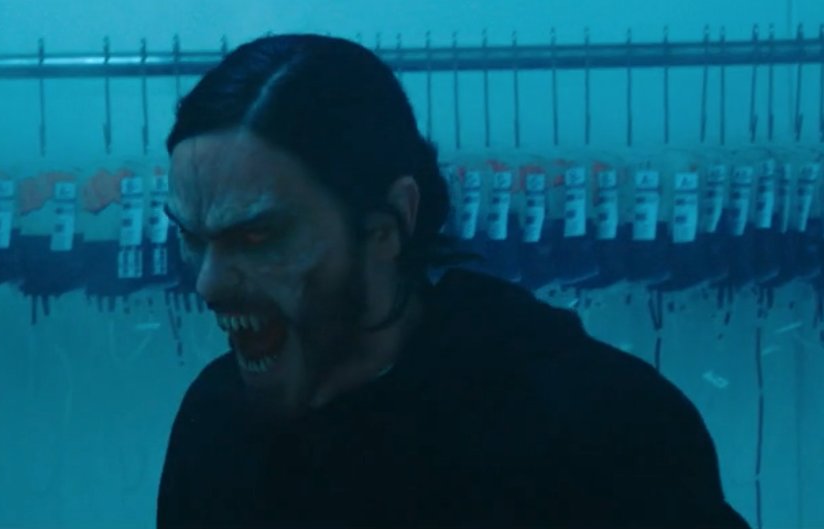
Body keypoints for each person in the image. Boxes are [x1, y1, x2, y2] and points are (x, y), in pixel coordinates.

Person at [157, 34, 750, 529]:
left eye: (257, 237)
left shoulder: (597, 422)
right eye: (193, 238)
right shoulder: (217, 424)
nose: (208, 284)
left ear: (387, 225)